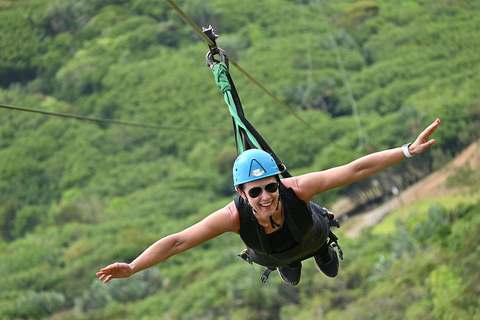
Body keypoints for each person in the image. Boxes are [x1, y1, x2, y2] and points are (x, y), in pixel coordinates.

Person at [96, 118, 440, 286]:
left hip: (312, 235)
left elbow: (355, 169)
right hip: (271, 252)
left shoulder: (296, 189)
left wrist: (407, 149)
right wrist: (133, 266)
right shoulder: (233, 216)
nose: (265, 197)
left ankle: (318, 250)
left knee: (330, 269)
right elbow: (178, 241)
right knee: (287, 271)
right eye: (255, 191)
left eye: (270, 188)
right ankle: (286, 263)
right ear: (242, 194)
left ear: (278, 182)